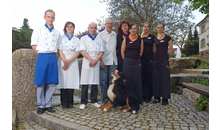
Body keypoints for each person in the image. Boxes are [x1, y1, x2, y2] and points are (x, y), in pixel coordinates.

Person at [30, 9, 60, 114]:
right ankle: (41, 105)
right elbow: (34, 44)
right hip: (42, 56)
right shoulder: (38, 29)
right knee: (41, 82)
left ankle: (48, 104)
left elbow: (58, 46)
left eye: (52, 17)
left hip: (52, 56)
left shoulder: (57, 32)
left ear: (54, 18)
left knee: (52, 82)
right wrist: (40, 55)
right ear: (45, 17)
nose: (50, 19)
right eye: (48, 17)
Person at [79, 22, 104, 110]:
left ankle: (94, 101)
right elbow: (82, 51)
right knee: (85, 83)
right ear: (88, 28)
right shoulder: (83, 39)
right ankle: (83, 102)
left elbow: (101, 51)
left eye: (94, 28)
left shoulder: (99, 40)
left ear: (96, 29)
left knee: (94, 83)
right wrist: (91, 60)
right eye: (91, 27)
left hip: (96, 62)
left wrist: (96, 60)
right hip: (87, 62)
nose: (93, 29)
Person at [56, 21, 80, 109]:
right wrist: (65, 61)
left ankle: (70, 103)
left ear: (73, 28)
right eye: (68, 27)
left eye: (71, 27)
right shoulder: (61, 38)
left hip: (73, 61)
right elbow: (60, 50)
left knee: (71, 82)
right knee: (63, 82)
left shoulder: (77, 39)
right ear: (65, 28)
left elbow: (78, 51)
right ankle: (64, 103)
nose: (69, 28)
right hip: (63, 60)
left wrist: (69, 61)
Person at [121, 24, 144, 104]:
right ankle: (127, 100)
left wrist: (136, 59)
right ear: (129, 30)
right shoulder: (125, 40)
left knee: (136, 81)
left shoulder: (140, 40)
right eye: (132, 28)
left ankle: (137, 99)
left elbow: (141, 52)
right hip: (127, 62)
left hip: (136, 63)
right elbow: (122, 52)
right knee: (128, 81)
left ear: (137, 30)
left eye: (135, 28)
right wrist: (126, 60)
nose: (133, 30)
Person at [97, 18, 118, 105]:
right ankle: (105, 99)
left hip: (113, 61)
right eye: (108, 23)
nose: (109, 25)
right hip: (104, 61)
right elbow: (98, 49)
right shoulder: (101, 35)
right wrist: (101, 60)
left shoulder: (115, 34)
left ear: (113, 25)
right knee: (103, 80)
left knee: (112, 81)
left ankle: (111, 98)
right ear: (105, 24)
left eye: (111, 23)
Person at [152, 22, 173, 105]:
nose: (160, 29)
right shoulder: (155, 39)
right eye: (158, 27)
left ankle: (165, 98)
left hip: (164, 61)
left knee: (165, 79)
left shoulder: (168, 38)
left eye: (161, 27)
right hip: (156, 61)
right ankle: (157, 97)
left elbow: (171, 49)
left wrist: (167, 57)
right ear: (156, 29)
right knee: (156, 79)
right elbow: (154, 50)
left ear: (163, 28)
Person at [140, 22, 155, 103]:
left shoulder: (152, 37)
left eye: (147, 27)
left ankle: (148, 96)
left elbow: (155, 48)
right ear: (142, 27)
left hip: (149, 59)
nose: (146, 28)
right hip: (141, 59)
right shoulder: (139, 37)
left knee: (149, 78)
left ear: (149, 28)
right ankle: (142, 95)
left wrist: (152, 56)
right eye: (144, 26)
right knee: (142, 77)